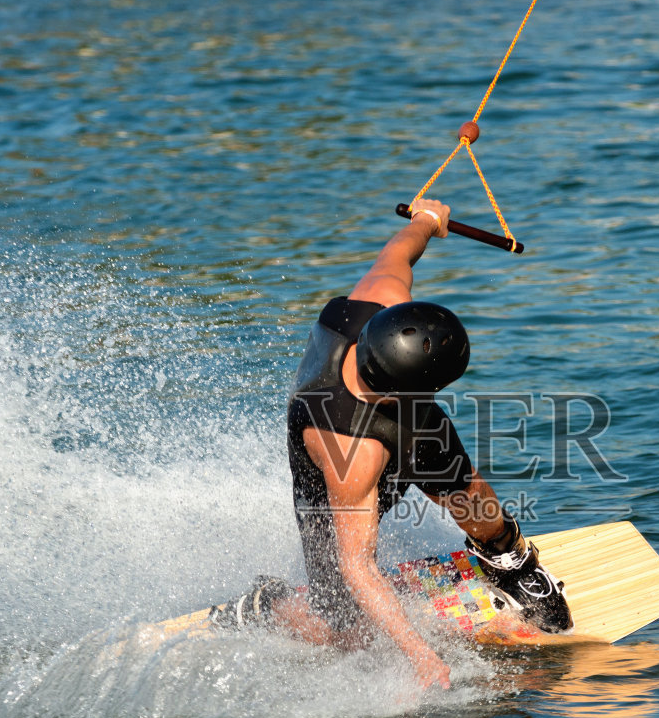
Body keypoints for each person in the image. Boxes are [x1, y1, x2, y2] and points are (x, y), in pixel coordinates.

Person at [208, 197, 571, 688]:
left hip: (398, 415)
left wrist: (426, 220)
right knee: (344, 629)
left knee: (473, 500)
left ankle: (509, 560)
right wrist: (420, 654)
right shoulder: (349, 454)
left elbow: (397, 254)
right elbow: (356, 565)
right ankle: (269, 605)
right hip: (341, 455)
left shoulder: (373, 306)